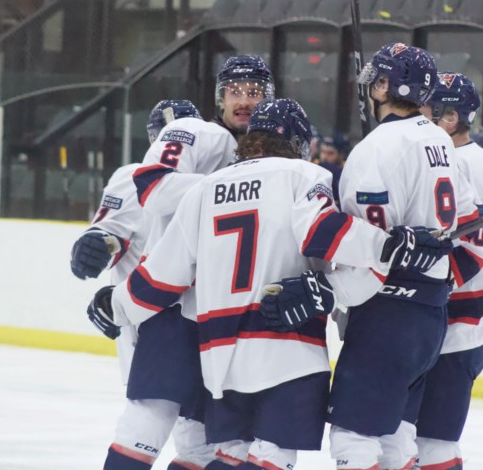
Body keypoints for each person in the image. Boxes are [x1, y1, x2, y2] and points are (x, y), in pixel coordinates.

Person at [89, 98, 443, 470]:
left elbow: (162, 275)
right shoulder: (305, 176)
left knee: (233, 454)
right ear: (298, 144)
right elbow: (322, 232)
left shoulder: (205, 189)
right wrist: (391, 245)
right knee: (272, 456)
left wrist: (116, 305)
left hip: (219, 360)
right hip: (286, 349)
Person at [285, 43, 483, 470]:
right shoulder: (440, 141)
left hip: (386, 315)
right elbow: (471, 226)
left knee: (354, 441)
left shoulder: (376, 150)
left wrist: (328, 291)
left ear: (381, 86)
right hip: (431, 315)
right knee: (395, 440)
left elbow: (369, 250)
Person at [100, 57, 274, 470]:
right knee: (149, 419)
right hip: (177, 308)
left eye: (255, 93)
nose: (245, 101)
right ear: (219, 97)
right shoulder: (199, 131)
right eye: (236, 92)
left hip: (231, 316)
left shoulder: (272, 160)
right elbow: (154, 187)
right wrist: (238, 187)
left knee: (208, 444)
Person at [408, 72, 483, 470]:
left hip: (459, 327)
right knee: (421, 442)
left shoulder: (462, 165)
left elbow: (480, 254)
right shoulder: (470, 161)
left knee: (434, 444)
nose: (418, 116)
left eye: (426, 109)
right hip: (463, 324)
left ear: (449, 117)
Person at [70, 99, 202, 383]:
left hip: (199, 309)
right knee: (149, 412)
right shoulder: (131, 178)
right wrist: (95, 244)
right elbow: (109, 230)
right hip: (144, 309)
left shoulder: (216, 180)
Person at [317, 132, 350, 203]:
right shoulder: (313, 165)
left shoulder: (347, 172)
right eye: (323, 151)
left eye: (330, 153)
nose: (324, 157)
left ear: (341, 155)